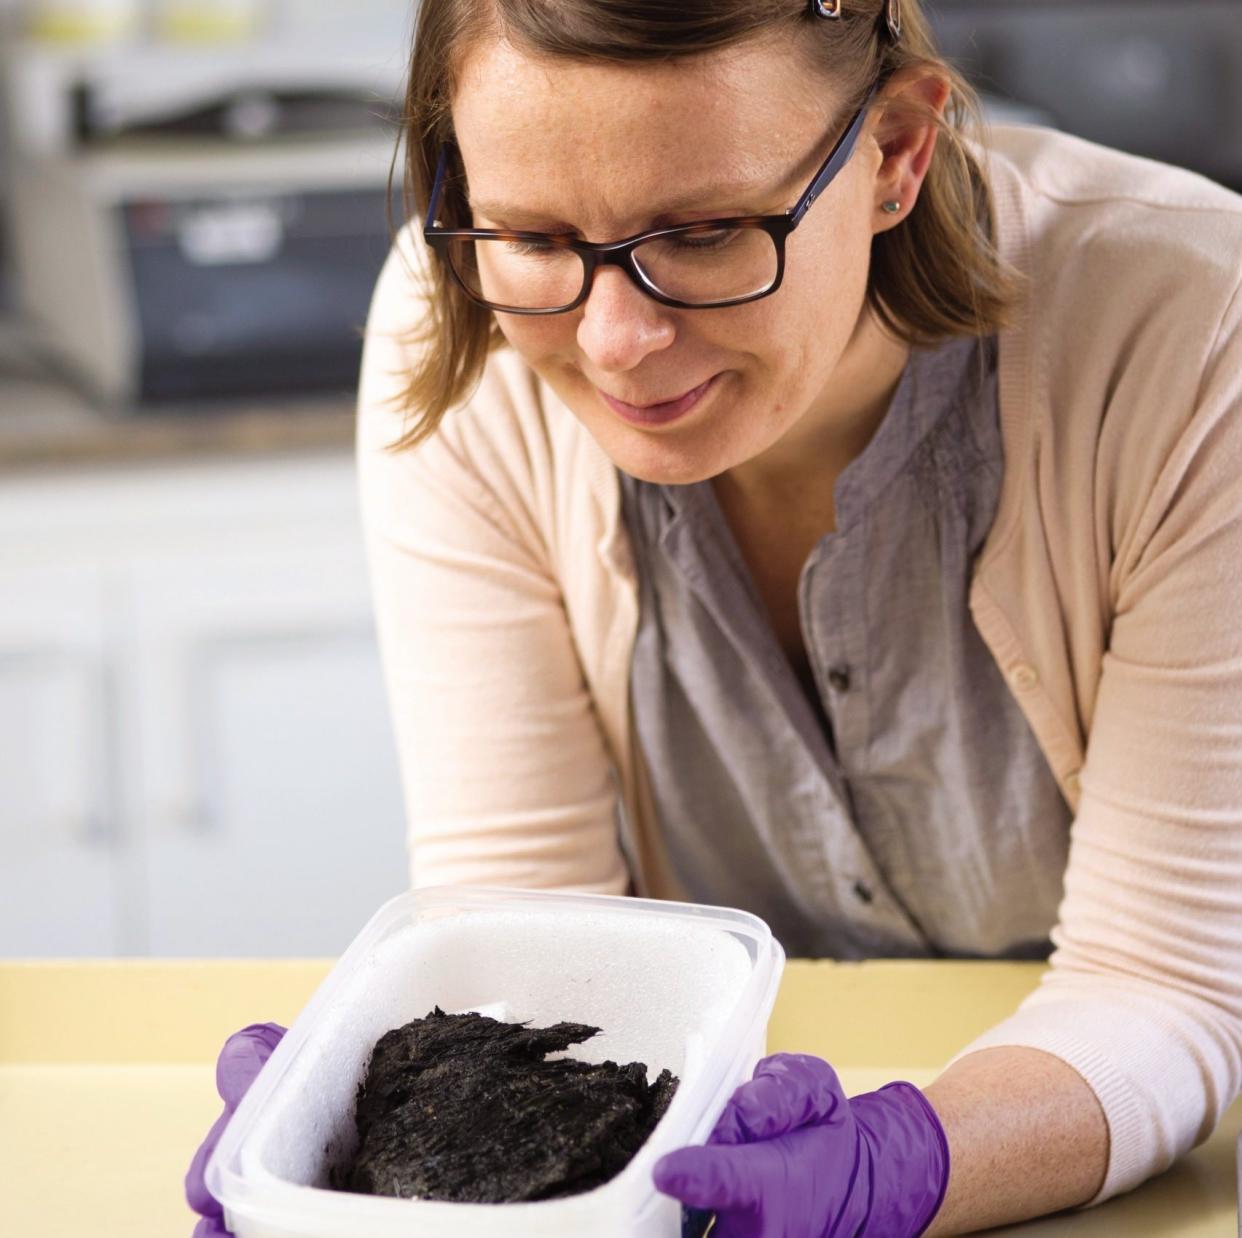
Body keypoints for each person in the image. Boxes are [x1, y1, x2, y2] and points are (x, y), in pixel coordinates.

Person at [187, 1, 1242, 1234]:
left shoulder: (1194, 334)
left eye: (700, 230)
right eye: (533, 232)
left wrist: (905, 1165)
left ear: (897, 150)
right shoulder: (466, 331)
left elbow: (1171, 983)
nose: (615, 340)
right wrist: (373, 1139)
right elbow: (533, 941)